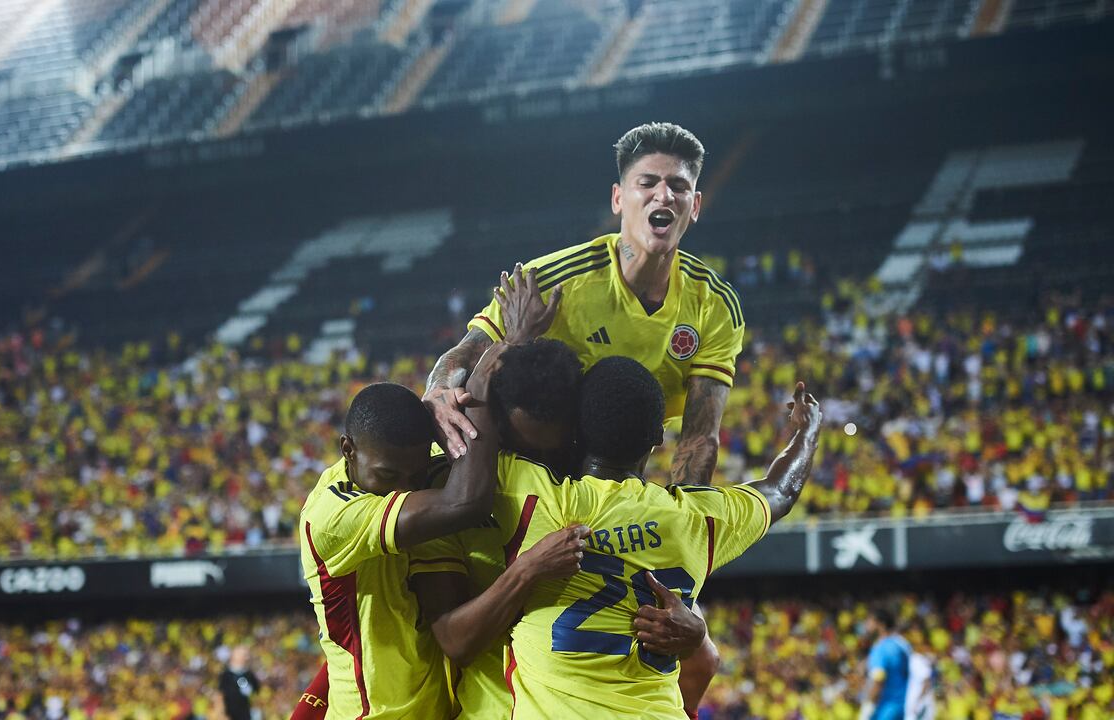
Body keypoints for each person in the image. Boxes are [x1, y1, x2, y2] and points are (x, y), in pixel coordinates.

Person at [424, 122, 745, 709]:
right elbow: (462, 358)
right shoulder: (557, 279)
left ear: (696, 205)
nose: (663, 196)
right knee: (466, 647)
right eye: (648, 182)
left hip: (617, 491)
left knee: (699, 657)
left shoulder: (713, 305)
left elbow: (699, 439)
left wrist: (677, 562)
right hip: (522, 488)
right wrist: (439, 388)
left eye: (678, 186)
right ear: (619, 198)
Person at [423, 357, 821, 718]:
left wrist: (496, 353)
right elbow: (780, 492)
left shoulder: (538, 501)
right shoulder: (696, 518)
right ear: (658, 439)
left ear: (576, 431)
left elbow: (471, 443)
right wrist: (808, 431)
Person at [297, 283, 580, 719]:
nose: (406, 489)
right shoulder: (334, 515)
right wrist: (499, 355)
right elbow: (464, 503)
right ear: (347, 449)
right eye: (389, 478)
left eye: (414, 475)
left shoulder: (407, 474)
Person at [861, 609, 912, 720]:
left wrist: (868, 706)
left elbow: (879, 680)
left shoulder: (881, 648)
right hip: (903, 707)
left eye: (870, 621)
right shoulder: (902, 644)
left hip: (885, 709)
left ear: (881, 624)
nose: (866, 624)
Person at [217, 645, 260, 720]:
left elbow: (256, 690)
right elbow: (221, 693)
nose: (246, 657)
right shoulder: (226, 675)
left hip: (245, 711)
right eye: (243, 655)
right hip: (229, 712)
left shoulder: (249, 674)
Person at [904, 637, 936, 720]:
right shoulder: (912, 659)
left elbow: (927, 681)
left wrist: (918, 702)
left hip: (920, 702)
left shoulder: (916, 659)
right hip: (916, 701)